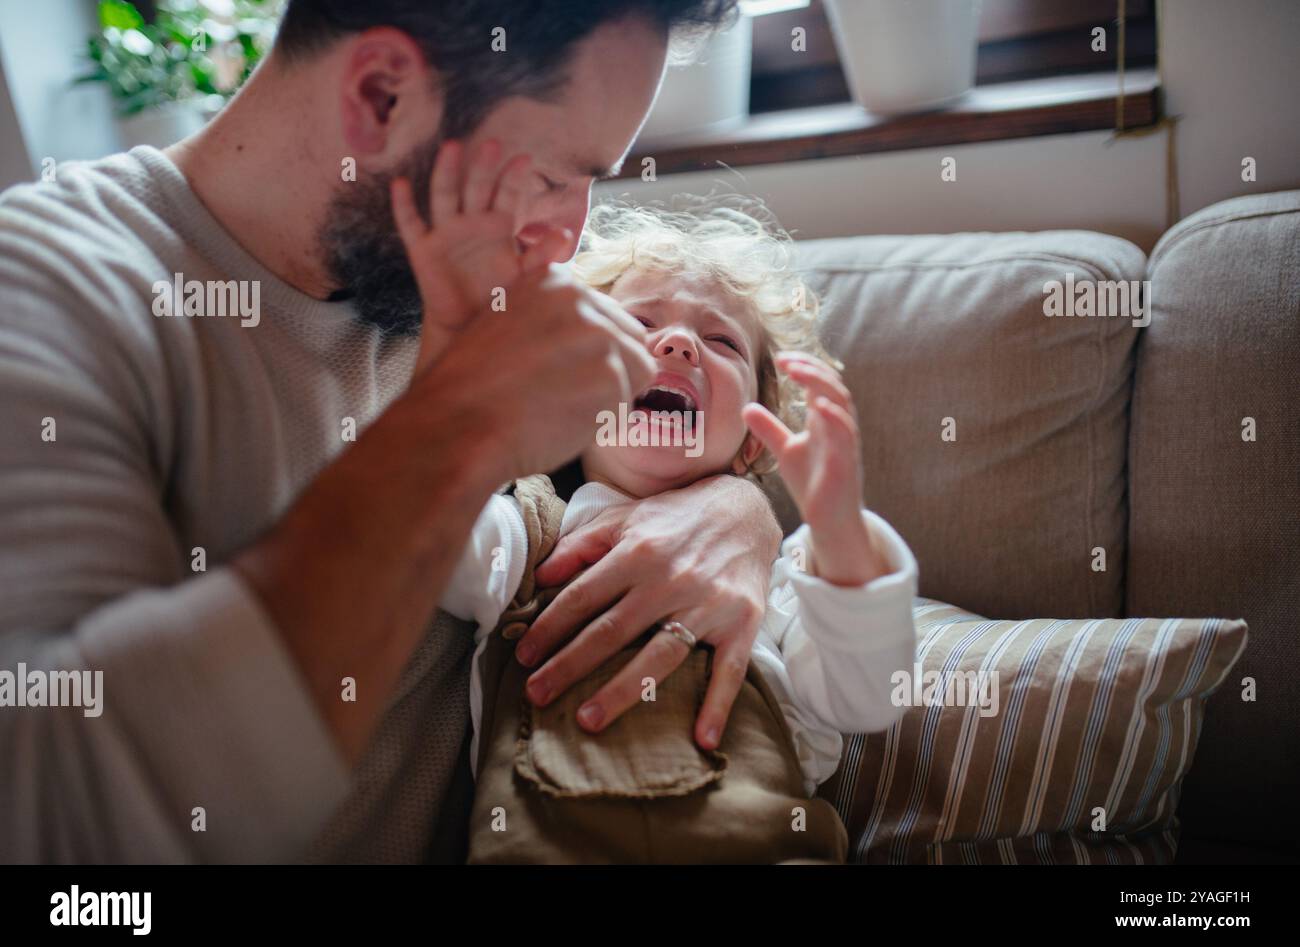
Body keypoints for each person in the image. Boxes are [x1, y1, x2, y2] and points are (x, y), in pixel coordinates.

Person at [0, 0, 795, 864]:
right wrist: (453, 431)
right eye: (556, 175)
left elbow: (654, 448)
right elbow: (57, 824)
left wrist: (733, 513)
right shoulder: (51, 292)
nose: (569, 242)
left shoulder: (476, 270)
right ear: (381, 97)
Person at [390, 153, 918, 861]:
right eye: (639, 322)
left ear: (752, 443)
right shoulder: (531, 527)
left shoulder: (791, 576)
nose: (676, 342)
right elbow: (427, 545)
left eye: (723, 340)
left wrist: (841, 527)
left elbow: (870, 697)